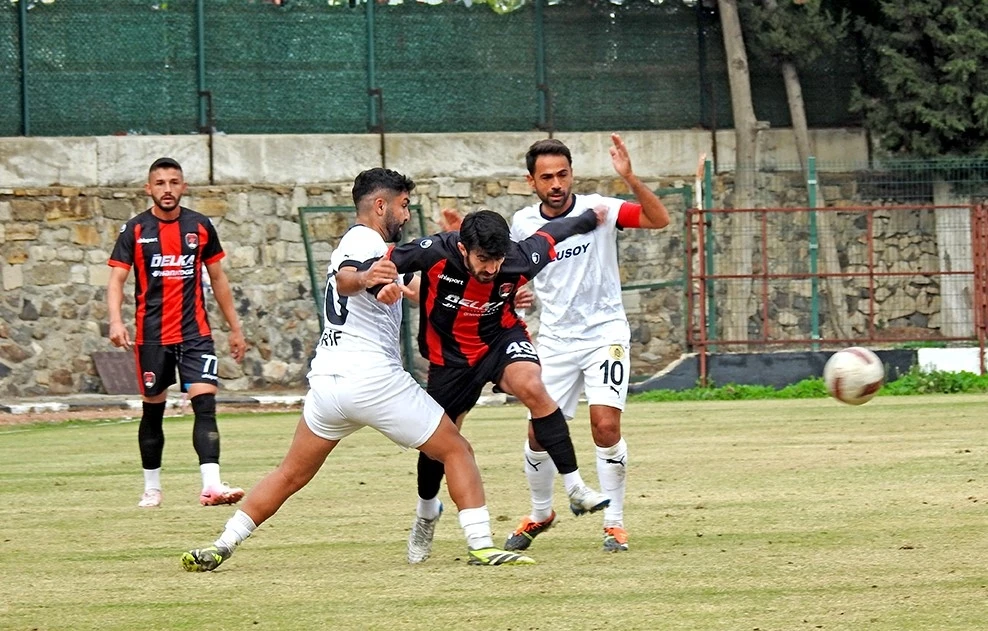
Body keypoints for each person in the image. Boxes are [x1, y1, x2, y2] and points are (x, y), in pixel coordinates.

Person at [181, 168, 534, 571]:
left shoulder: (375, 250)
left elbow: (393, 289)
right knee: (457, 449)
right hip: (371, 378)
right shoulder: (363, 238)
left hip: (329, 384)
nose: (405, 216)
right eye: (402, 206)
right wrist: (366, 277)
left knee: (290, 474)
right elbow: (349, 277)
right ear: (380, 205)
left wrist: (388, 286)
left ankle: (223, 544)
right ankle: (482, 545)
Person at [386, 207, 612, 564]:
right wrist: (381, 282)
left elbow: (556, 230)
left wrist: (590, 217)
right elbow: (382, 261)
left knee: (534, 388)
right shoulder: (433, 252)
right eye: (483, 259)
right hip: (450, 359)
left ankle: (574, 486)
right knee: (437, 445)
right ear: (463, 249)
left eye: (497, 259)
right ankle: (426, 512)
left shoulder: (519, 258)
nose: (491, 268)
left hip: (499, 341)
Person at [504, 134, 671, 553]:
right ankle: (541, 513)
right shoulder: (523, 223)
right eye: (547, 177)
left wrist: (630, 178)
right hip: (556, 341)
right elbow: (514, 274)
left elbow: (658, 219)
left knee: (605, 426)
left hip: (605, 335)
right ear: (532, 182)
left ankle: (613, 523)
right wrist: (515, 294)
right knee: (539, 435)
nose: (556, 184)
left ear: (572, 173)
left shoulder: (601, 209)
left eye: (563, 174)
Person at [107, 157, 247, 509]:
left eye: (173, 182)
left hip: (195, 335)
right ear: (148, 188)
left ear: (183, 187)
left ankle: (212, 485)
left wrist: (235, 328)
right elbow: (117, 280)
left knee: (205, 405)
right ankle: (152, 488)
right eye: (160, 183)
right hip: (152, 338)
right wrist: (115, 321)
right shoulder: (135, 231)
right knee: (152, 412)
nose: (167, 189)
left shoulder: (199, 226)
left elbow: (218, 279)